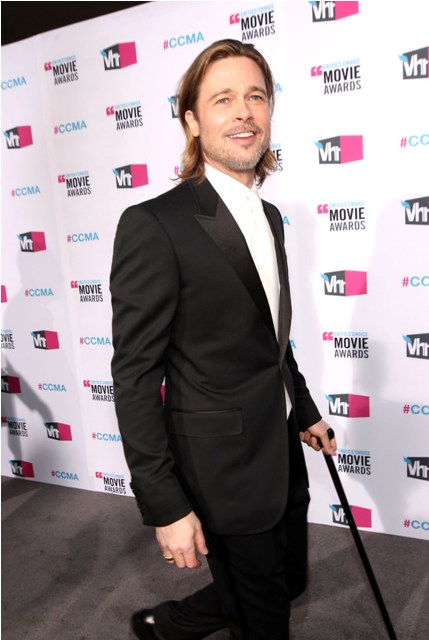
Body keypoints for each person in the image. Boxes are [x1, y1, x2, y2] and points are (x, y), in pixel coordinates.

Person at [110, 38, 337, 640]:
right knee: (265, 617)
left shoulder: (270, 217)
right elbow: (134, 377)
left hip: (280, 446)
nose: (244, 112)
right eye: (223, 99)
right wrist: (165, 503)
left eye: (255, 97)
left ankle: (169, 624)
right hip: (221, 466)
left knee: (288, 580)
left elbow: (270, 338)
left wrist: (304, 411)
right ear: (192, 120)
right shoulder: (153, 224)